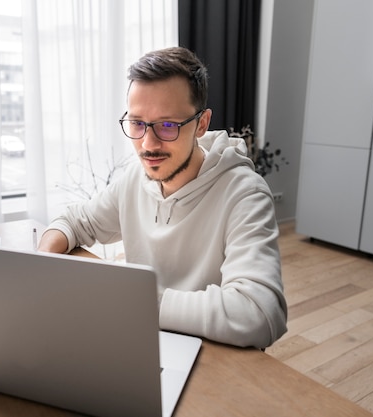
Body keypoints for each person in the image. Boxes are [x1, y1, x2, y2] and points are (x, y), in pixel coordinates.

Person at [38, 46, 287, 349]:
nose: (148, 143)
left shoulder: (245, 194)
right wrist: (42, 266)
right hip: (143, 341)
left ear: (202, 124)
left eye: (167, 125)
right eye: (137, 123)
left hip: (214, 356)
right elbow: (76, 221)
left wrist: (143, 304)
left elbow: (260, 313)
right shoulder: (135, 178)